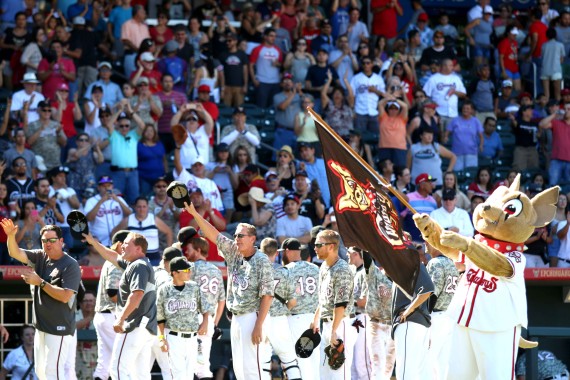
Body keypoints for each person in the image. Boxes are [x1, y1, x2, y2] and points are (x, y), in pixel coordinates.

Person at [184, 202, 274, 380]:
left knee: (253, 369)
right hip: (236, 318)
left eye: (241, 235)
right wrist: (195, 214)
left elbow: (268, 295)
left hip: (253, 316)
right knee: (240, 370)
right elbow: (214, 234)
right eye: (235, 235)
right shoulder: (234, 251)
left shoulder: (261, 260)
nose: (237, 238)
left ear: (252, 239)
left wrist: (259, 325)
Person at [1, 221, 81, 379]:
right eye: (44, 241)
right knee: (41, 372)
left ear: (61, 241)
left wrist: (41, 283)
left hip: (60, 328)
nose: (48, 244)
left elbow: (65, 296)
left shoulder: (70, 265)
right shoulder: (40, 256)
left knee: (54, 372)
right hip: (41, 327)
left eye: (52, 240)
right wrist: (11, 236)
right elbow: (15, 253)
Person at [83, 231, 157, 380]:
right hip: (145, 326)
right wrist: (93, 241)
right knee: (140, 374)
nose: (122, 246)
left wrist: (121, 318)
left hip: (134, 325)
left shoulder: (139, 265)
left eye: (127, 244)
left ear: (138, 249)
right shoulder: (136, 263)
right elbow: (111, 255)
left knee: (117, 369)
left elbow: (137, 294)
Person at [311, 229, 356, 379]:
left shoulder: (342, 269)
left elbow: (341, 305)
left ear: (331, 246)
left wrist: (334, 331)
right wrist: (316, 319)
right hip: (327, 324)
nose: (315, 248)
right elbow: (324, 298)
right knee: (324, 372)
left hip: (340, 323)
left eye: (318, 244)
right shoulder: (324, 267)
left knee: (338, 372)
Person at [156, 257, 209, 379]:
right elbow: (160, 318)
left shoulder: (194, 287)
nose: (189, 272)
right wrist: (161, 338)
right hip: (174, 337)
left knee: (189, 375)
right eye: (185, 270)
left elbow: (205, 308)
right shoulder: (164, 289)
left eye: (189, 269)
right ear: (174, 273)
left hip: (192, 338)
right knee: (178, 375)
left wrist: (205, 322)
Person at [184, 236, 226, 380]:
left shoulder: (191, 268)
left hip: (193, 318)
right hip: (209, 321)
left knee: (188, 364)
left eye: (189, 249)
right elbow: (222, 300)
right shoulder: (216, 269)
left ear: (198, 249)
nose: (186, 252)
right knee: (202, 365)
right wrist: (214, 323)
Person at [260, 238, 302, 380]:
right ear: (276, 253)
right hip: (279, 318)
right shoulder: (284, 271)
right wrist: (284, 309)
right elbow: (293, 301)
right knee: (289, 360)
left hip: (260, 319)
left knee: (262, 362)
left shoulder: (256, 270)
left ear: (261, 251)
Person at [282, 237, 320, 379]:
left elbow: (287, 301)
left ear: (287, 251)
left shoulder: (287, 270)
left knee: (300, 360)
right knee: (315, 361)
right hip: (316, 319)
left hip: (296, 319)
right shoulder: (316, 268)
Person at [391, 259, 434, 380]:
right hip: (418, 323)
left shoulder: (410, 262)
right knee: (418, 373)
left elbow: (428, 289)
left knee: (406, 373)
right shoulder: (404, 264)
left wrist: (408, 310)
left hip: (410, 323)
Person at [92, 230, 125, 380]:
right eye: (127, 243)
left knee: (104, 364)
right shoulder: (116, 261)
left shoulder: (110, 260)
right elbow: (112, 293)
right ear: (119, 244)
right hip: (111, 315)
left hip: (104, 316)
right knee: (120, 360)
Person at [426, 243, 459, 380]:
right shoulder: (453, 264)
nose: (425, 244)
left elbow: (433, 292)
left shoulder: (435, 262)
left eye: (428, 241)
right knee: (443, 365)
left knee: (427, 362)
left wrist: (426, 315)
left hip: (436, 317)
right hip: (450, 317)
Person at [112, 197, 173, 265]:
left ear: (147, 207)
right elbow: (114, 233)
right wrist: (120, 251)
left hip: (153, 258)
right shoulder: (129, 219)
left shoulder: (153, 219)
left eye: (144, 206)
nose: (142, 209)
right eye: (139, 207)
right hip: (134, 259)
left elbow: (168, 232)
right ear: (135, 207)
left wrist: (168, 251)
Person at [364, 260, 396, 380]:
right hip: (376, 325)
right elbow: (367, 260)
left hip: (393, 326)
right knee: (377, 363)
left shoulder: (401, 279)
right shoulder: (376, 274)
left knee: (388, 366)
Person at [84, 176, 132, 247]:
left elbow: (130, 215)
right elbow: (89, 218)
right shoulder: (91, 201)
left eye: (108, 185)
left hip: (119, 242)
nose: (106, 188)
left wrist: (118, 200)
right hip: (99, 242)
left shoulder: (119, 199)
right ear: (98, 187)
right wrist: (101, 201)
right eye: (103, 186)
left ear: (112, 186)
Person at [422, 58, 467, 134]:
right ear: (444, 66)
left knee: (452, 138)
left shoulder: (456, 78)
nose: (452, 67)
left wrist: (454, 92)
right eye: (450, 65)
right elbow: (426, 95)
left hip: (453, 114)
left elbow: (463, 94)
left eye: (452, 65)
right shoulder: (433, 79)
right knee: (440, 136)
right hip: (438, 114)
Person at [346, 246, 371, 380]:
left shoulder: (366, 271)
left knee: (362, 362)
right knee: (353, 364)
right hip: (354, 319)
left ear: (356, 254)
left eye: (349, 252)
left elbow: (364, 301)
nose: (346, 255)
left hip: (364, 318)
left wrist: (346, 301)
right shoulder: (354, 271)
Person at [444, 100, 484, 171]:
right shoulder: (455, 120)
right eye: (464, 108)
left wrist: (481, 145)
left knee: (471, 173)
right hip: (457, 153)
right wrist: (446, 137)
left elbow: (481, 136)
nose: (465, 110)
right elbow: (447, 132)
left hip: (471, 153)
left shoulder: (476, 121)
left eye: (468, 108)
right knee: (457, 173)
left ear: (471, 110)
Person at [349, 56, 385, 133]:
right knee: (359, 137)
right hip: (359, 112)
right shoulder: (356, 78)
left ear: (372, 64)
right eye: (364, 63)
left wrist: (375, 91)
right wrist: (353, 110)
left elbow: (383, 95)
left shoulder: (378, 78)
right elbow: (352, 95)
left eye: (368, 63)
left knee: (375, 138)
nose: (366, 65)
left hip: (374, 112)